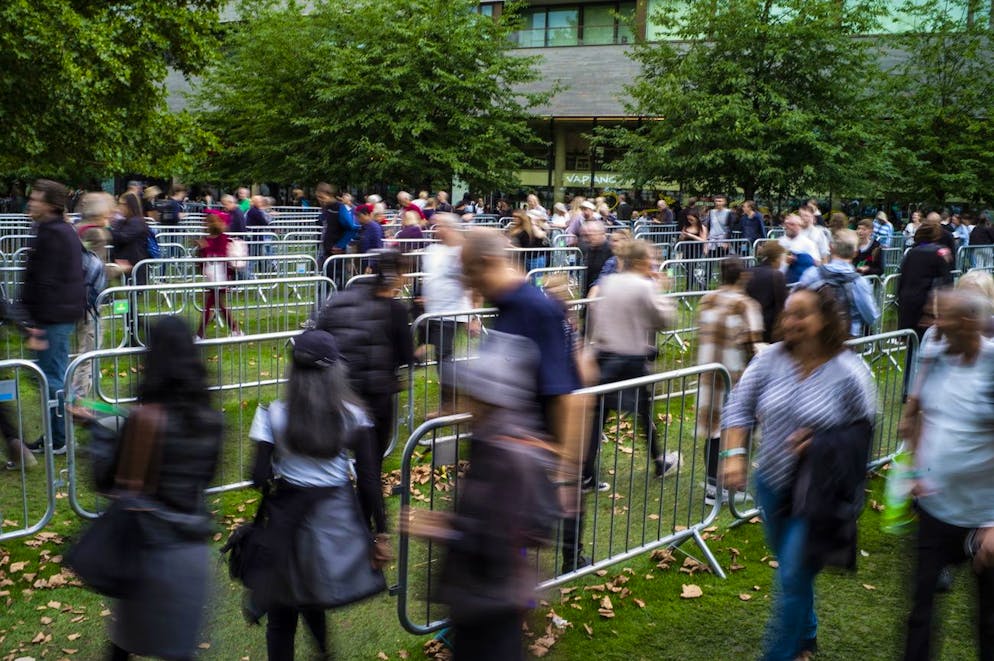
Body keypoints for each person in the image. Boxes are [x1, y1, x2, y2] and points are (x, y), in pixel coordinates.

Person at [722, 286, 876, 661]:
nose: (791, 321)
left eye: (802, 314)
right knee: (794, 570)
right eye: (788, 313)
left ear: (825, 319)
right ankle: (806, 633)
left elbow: (865, 430)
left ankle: (780, 654)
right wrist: (735, 455)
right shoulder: (770, 360)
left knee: (791, 574)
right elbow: (739, 407)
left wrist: (826, 445)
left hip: (818, 495)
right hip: (771, 484)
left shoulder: (849, 371)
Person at [247, 330, 387, 660]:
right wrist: (377, 532)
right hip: (334, 525)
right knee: (313, 595)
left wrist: (277, 464)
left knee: (282, 617)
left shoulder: (271, 414)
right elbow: (369, 480)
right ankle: (324, 654)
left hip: (285, 523)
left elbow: (257, 476)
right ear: (335, 370)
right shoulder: (354, 415)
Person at [93, 316, 222, 661]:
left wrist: (102, 429)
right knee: (178, 650)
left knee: (122, 648)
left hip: (148, 549)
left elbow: (105, 478)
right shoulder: (211, 421)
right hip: (191, 553)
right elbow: (205, 476)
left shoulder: (143, 420)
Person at [460, 229, 587, 574]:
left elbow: (566, 395)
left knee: (506, 567)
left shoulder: (535, 309)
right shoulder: (507, 307)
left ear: (487, 263)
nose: (470, 289)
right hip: (501, 461)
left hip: (525, 464)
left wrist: (564, 474)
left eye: (470, 275)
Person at [899, 289, 994, 661]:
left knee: (988, 624)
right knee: (920, 612)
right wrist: (916, 468)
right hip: (935, 510)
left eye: (943, 318)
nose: (933, 324)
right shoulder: (937, 354)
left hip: (983, 521)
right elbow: (917, 413)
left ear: (968, 323)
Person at [314, 251, 413, 536]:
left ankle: (349, 520)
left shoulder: (339, 299)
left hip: (340, 392)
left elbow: (320, 338)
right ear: (398, 275)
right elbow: (406, 356)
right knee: (370, 467)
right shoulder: (394, 309)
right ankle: (372, 529)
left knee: (337, 461)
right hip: (374, 398)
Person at [584, 240, 679, 490]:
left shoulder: (608, 282)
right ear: (640, 262)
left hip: (603, 353)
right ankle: (659, 462)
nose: (655, 262)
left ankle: (586, 474)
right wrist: (661, 288)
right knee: (643, 413)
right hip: (629, 358)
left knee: (599, 416)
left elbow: (595, 315)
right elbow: (665, 319)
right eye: (651, 258)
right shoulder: (644, 286)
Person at [22, 180, 85, 456]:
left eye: (36, 198)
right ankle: (57, 435)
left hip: (52, 318)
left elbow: (46, 282)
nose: (31, 203)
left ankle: (59, 439)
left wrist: (36, 326)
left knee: (52, 379)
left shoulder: (54, 233)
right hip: (56, 315)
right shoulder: (56, 230)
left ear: (50, 204)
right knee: (52, 377)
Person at [696, 257, 764, 505]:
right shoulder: (745, 305)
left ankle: (714, 486)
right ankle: (724, 487)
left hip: (710, 372)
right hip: (735, 376)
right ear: (743, 277)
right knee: (736, 427)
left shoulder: (707, 299)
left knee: (714, 429)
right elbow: (752, 343)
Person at [419, 214, 477, 418]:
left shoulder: (462, 253)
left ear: (452, 228)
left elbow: (472, 285)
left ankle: (450, 404)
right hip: (433, 313)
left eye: (441, 226)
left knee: (444, 360)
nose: (436, 229)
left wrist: (473, 317)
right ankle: (456, 400)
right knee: (442, 360)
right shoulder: (432, 250)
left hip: (452, 314)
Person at [799, 229, 880, 337]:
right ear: (855, 253)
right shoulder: (859, 282)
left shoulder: (812, 274)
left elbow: (794, 303)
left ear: (830, 247)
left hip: (815, 335)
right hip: (847, 337)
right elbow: (871, 317)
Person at [898, 223, 954, 339]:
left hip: (908, 301)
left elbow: (902, 278)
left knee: (911, 341)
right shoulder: (940, 253)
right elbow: (946, 281)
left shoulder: (911, 253)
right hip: (927, 303)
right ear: (936, 235)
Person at [195, 213, 242, 339]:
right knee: (217, 305)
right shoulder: (210, 239)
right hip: (213, 277)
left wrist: (204, 247)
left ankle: (200, 333)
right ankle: (235, 329)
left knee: (211, 304)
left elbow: (219, 253)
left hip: (220, 277)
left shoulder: (221, 239)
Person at [746, 241, 789, 344]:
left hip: (750, 327)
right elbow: (781, 306)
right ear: (777, 258)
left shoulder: (748, 272)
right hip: (769, 331)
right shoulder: (777, 275)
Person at [111, 192, 150, 285]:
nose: (120, 207)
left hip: (134, 263)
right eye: (119, 203)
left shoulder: (137, 222)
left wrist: (109, 228)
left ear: (130, 205)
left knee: (130, 293)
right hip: (125, 262)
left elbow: (124, 237)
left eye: (123, 204)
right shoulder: (123, 221)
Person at [579, 220, 612, 296]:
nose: (586, 239)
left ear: (601, 233)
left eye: (589, 235)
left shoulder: (611, 250)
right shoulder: (586, 247)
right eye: (584, 235)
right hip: (587, 290)